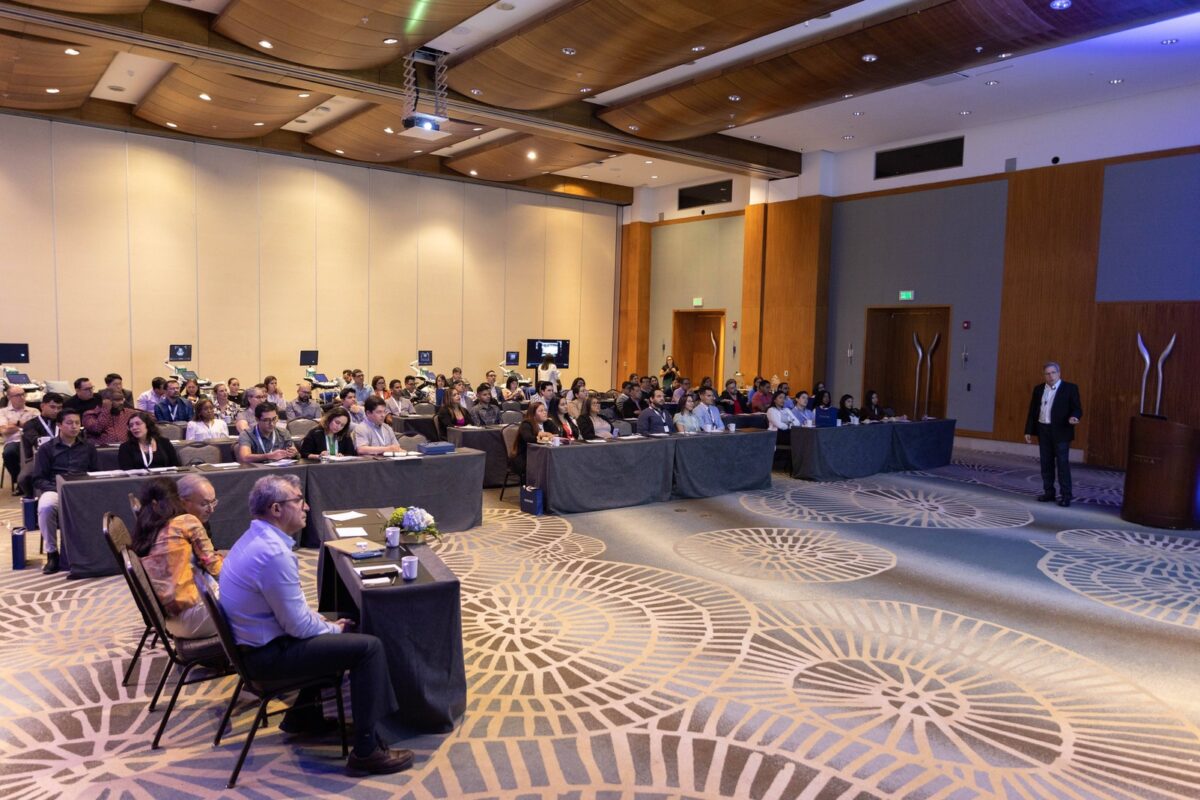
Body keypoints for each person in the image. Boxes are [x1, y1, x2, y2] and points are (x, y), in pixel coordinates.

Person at [218, 475, 412, 775]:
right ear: (276, 509)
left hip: (254, 645)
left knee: (332, 620)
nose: (306, 506)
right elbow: (297, 627)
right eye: (298, 500)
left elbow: (287, 611)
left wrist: (322, 622)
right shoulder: (273, 553)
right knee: (369, 648)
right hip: (266, 658)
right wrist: (336, 629)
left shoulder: (254, 538)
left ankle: (303, 716)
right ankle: (367, 751)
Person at [131, 477, 223, 638]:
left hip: (172, 623)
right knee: (257, 593)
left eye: (213, 502)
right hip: (196, 616)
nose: (210, 509)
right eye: (204, 503)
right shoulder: (185, 522)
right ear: (179, 500)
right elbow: (216, 568)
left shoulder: (149, 527)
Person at [32, 408, 98, 574]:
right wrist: (59, 488)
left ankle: (91, 553)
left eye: (77, 423)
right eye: (69, 423)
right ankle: (52, 553)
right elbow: (38, 479)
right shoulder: (46, 449)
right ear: (59, 425)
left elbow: (95, 473)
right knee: (46, 507)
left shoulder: (88, 447)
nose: (74, 427)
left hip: (81, 490)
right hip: (55, 489)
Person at [1024, 361, 1083, 507]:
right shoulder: (1038, 389)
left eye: (1053, 373)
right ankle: (1049, 492)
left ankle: (1066, 495)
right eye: (1047, 374)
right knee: (1046, 463)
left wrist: (1075, 417)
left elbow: (1077, 408)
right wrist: (1028, 430)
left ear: (1059, 373)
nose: (1050, 376)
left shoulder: (1070, 388)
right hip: (1043, 430)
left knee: (1062, 464)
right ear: (1044, 375)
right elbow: (1032, 411)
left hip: (1061, 431)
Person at [1, 385, 37, 493]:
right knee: (9, 453)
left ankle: (33, 480)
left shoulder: (34, 411)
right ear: (9, 397)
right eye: (17, 395)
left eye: (23, 394)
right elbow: (4, 431)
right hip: (13, 441)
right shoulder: (2, 412)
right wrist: (24, 425)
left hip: (30, 441)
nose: (21, 397)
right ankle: (20, 481)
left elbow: (36, 427)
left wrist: (15, 424)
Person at [511, 401, 554, 479]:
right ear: (533, 414)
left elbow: (556, 435)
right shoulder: (526, 424)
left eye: (545, 410)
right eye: (541, 411)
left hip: (543, 455)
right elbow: (528, 438)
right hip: (525, 457)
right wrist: (543, 435)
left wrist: (548, 436)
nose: (545, 412)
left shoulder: (548, 423)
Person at [20, 392, 62, 466]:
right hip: (38, 460)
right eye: (52, 407)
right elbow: (37, 442)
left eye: (59, 408)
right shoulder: (30, 424)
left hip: (63, 458)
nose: (56, 411)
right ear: (42, 406)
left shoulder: (63, 423)